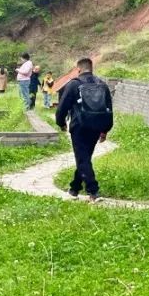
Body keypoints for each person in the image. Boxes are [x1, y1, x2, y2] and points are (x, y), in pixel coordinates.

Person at [55, 57, 113, 202]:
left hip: (79, 127)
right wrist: (105, 130)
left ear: (78, 69)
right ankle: (74, 188)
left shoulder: (74, 84)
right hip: (96, 127)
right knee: (84, 157)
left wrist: (61, 123)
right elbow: (109, 110)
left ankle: (93, 191)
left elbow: (62, 107)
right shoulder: (102, 84)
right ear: (91, 68)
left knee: (83, 158)